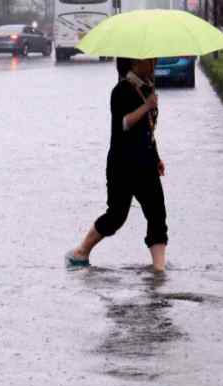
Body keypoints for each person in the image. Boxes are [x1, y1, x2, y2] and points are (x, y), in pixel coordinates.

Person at [66, 57, 168, 271]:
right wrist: (147, 106)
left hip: (146, 163)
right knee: (116, 215)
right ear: (134, 64)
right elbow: (124, 123)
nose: (154, 63)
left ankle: (159, 269)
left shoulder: (148, 88)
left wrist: (156, 157)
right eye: (149, 60)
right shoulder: (121, 90)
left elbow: (147, 130)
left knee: (157, 213)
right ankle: (81, 252)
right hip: (122, 165)